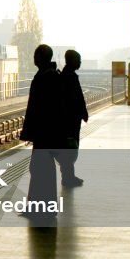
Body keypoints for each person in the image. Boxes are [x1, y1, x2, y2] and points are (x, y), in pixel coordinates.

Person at [19, 44, 62, 216]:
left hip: (46, 132)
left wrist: (36, 130)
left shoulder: (48, 77)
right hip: (44, 132)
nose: (34, 58)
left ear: (43, 57)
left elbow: (44, 108)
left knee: (40, 168)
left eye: (37, 55)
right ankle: (39, 206)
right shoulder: (46, 75)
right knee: (40, 168)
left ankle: (41, 207)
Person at [58, 49, 88, 187]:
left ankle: (69, 176)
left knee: (70, 148)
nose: (80, 62)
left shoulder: (66, 75)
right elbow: (77, 97)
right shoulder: (69, 77)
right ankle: (68, 177)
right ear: (71, 61)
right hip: (70, 120)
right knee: (70, 148)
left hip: (70, 119)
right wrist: (83, 111)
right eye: (78, 60)